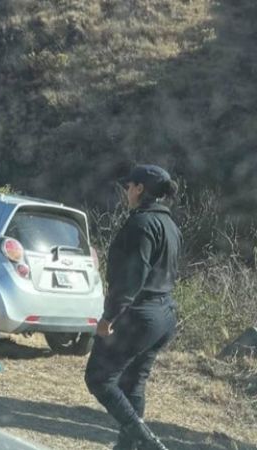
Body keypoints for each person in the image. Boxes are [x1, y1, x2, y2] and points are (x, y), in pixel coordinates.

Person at [84, 165, 181, 450]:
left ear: (139, 189)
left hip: (138, 316)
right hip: (164, 315)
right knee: (133, 383)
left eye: (129, 187)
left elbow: (131, 279)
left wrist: (108, 317)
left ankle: (148, 443)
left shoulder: (141, 224)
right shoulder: (171, 226)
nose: (126, 192)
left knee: (98, 378)